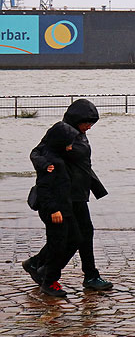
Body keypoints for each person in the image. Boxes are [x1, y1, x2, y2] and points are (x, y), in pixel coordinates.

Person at [23, 99, 112, 291]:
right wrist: (46, 166)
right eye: (86, 122)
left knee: (82, 234)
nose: (89, 127)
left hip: (79, 192)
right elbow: (37, 153)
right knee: (75, 236)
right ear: (76, 119)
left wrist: (96, 187)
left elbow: (83, 164)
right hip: (66, 195)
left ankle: (38, 263)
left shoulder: (79, 135)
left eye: (92, 123)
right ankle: (84, 275)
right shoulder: (61, 134)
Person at [28, 122, 82, 297]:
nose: (71, 146)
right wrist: (53, 210)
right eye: (69, 142)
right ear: (60, 141)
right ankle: (49, 281)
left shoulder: (56, 155)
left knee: (74, 238)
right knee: (57, 245)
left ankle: (45, 271)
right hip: (55, 211)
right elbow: (43, 189)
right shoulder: (51, 162)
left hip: (65, 207)